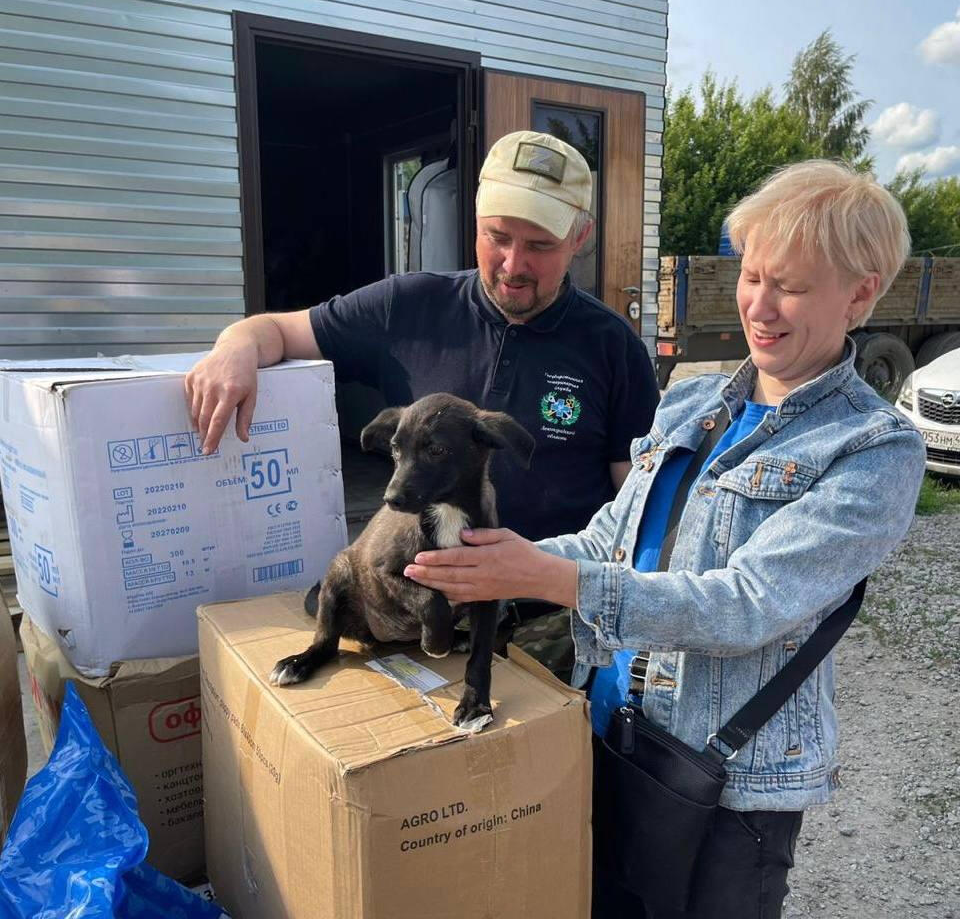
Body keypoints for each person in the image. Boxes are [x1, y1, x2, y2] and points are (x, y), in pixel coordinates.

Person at [402, 159, 927, 918]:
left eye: (790, 286)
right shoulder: (693, 401)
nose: (759, 305)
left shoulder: (872, 448)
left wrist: (551, 580)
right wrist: (496, 563)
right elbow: (609, 540)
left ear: (861, 293)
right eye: (751, 275)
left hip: (726, 784)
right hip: (609, 731)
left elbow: (744, 605)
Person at [185, 130, 659, 546]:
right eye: (497, 237)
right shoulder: (406, 305)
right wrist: (235, 348)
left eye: (540, 245)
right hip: (418, 594)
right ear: (476, 218)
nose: (514, 265)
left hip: (548, 606)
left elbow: (640, 502)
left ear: (580, 237)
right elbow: (273, 331)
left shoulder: (613, 346)